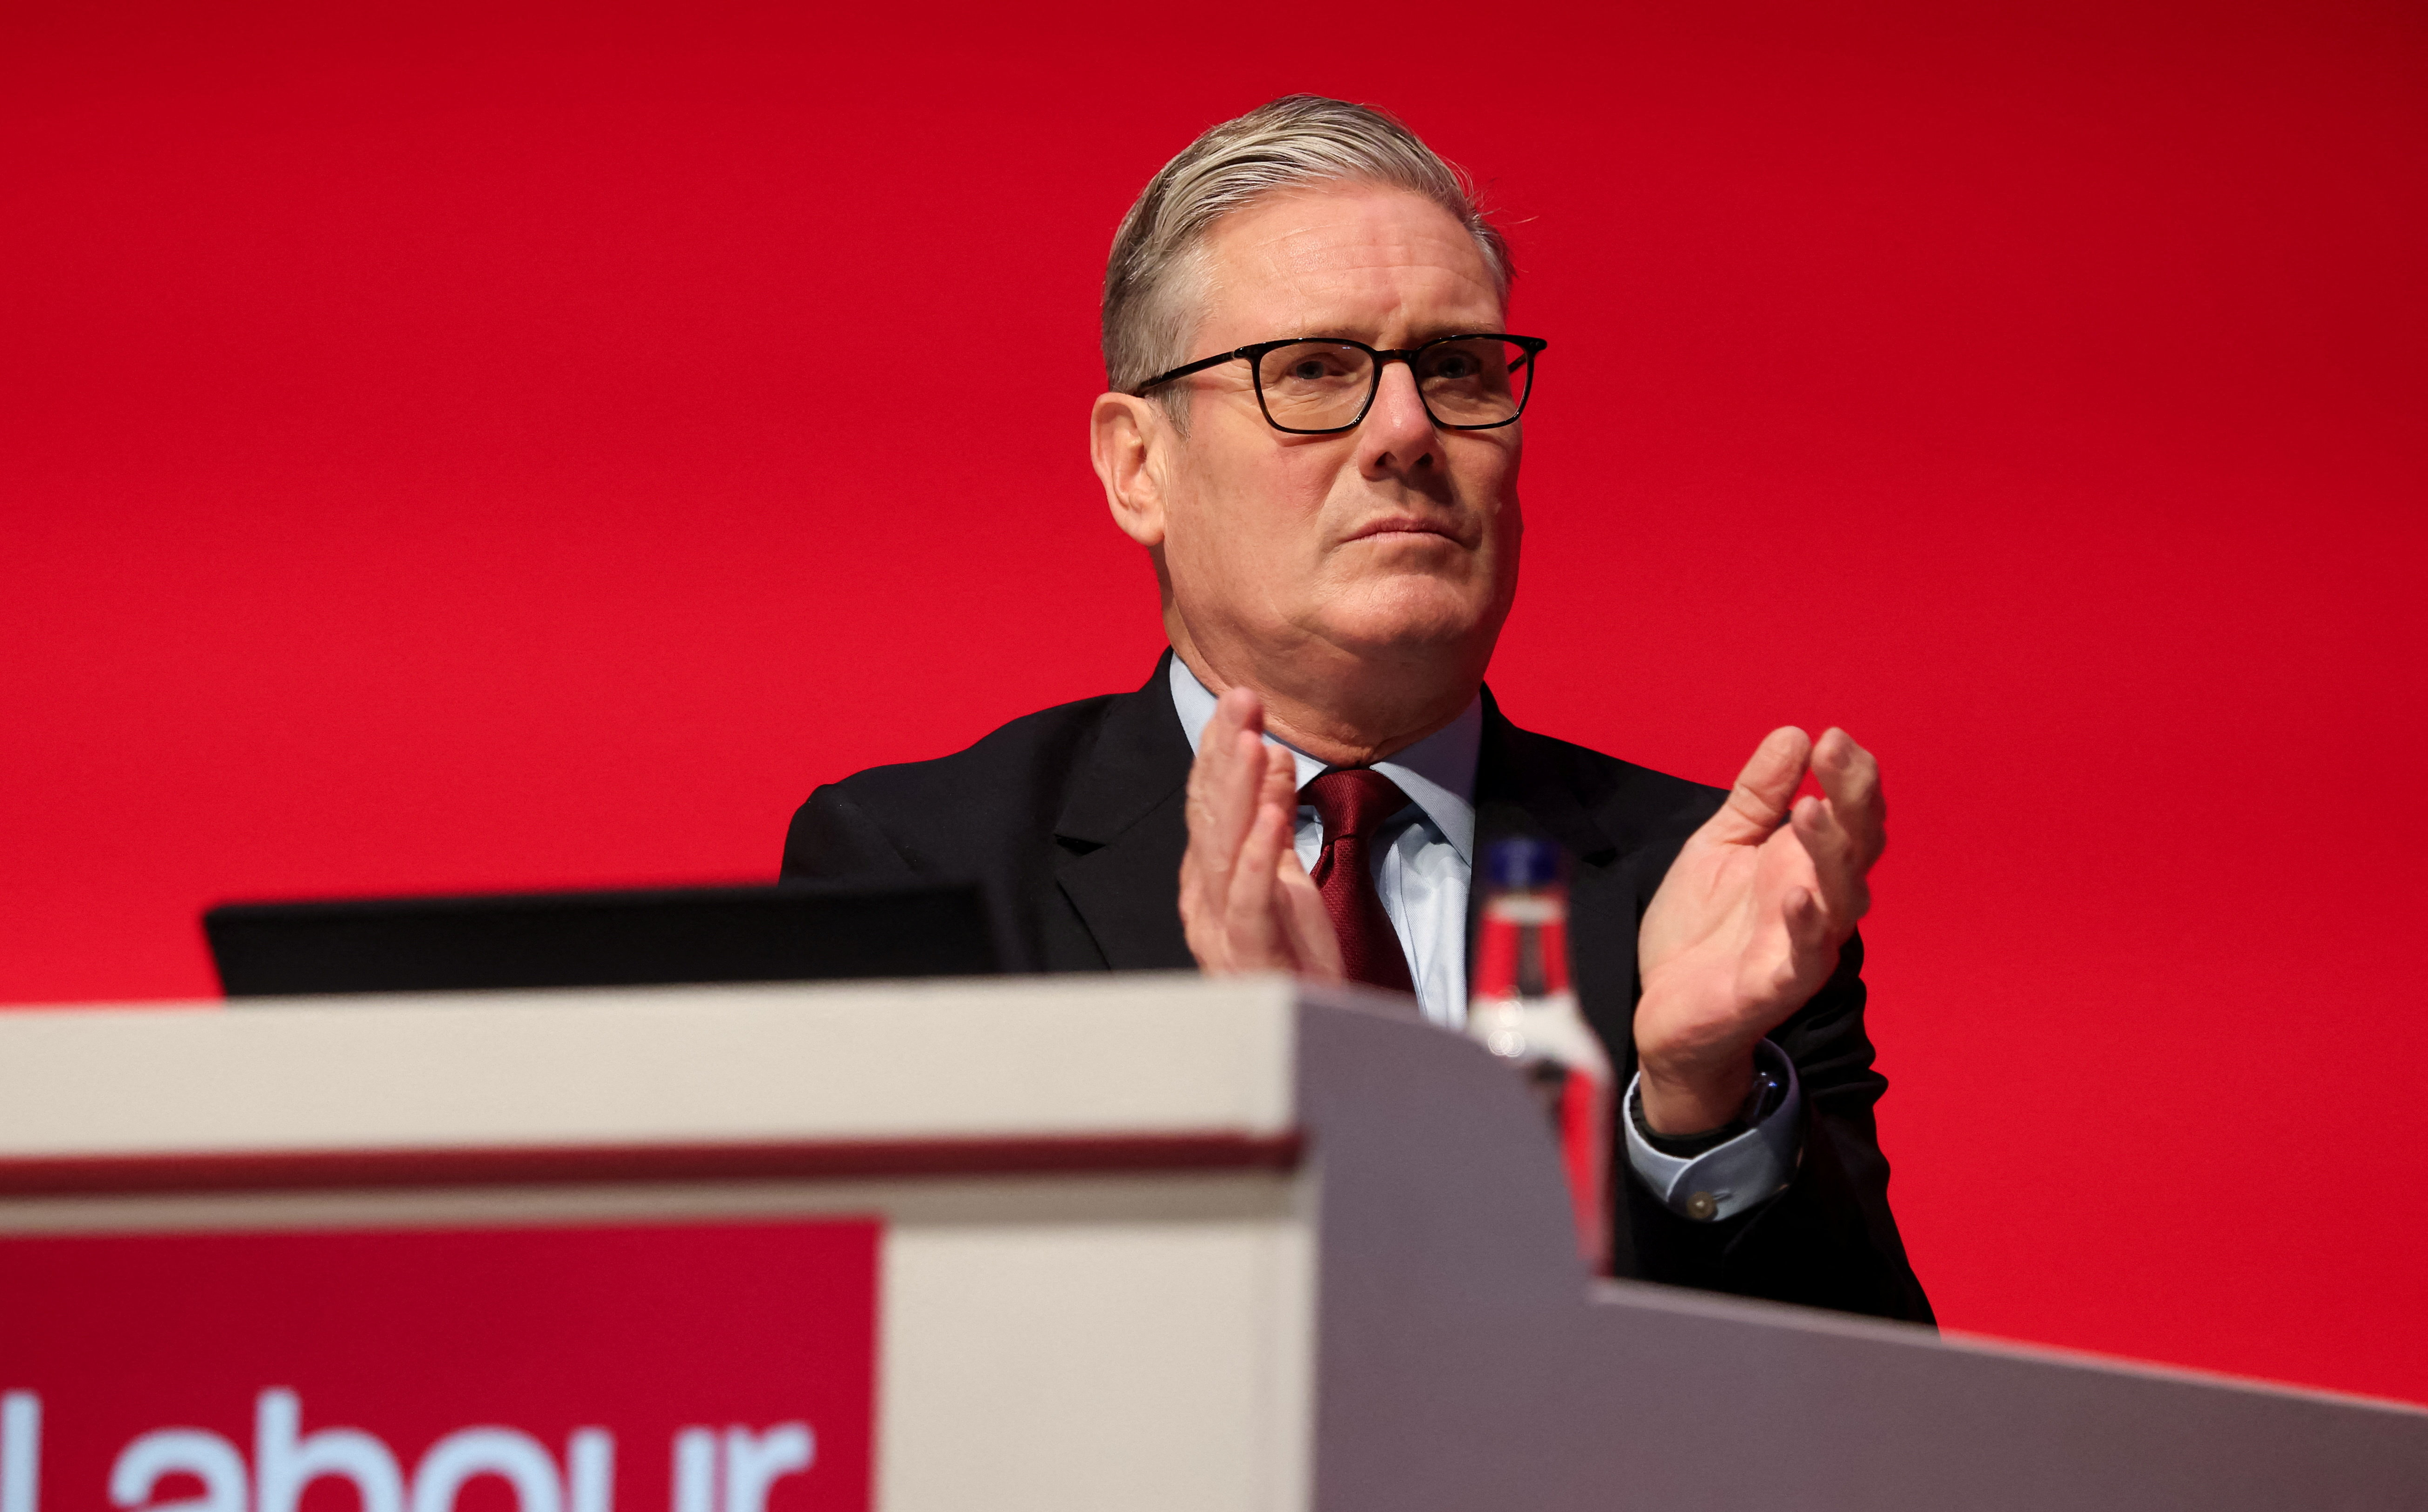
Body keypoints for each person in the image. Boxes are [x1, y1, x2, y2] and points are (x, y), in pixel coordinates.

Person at [782, 96, 1932, 1324]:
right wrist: (1266, 1085)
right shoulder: (931, 871)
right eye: (1315, 371)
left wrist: (1698, 1102)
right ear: (1138, 465)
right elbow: (885, 1373)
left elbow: (1870, 1441)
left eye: (1457, 368)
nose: (1406, 431)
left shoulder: (1703, 886)